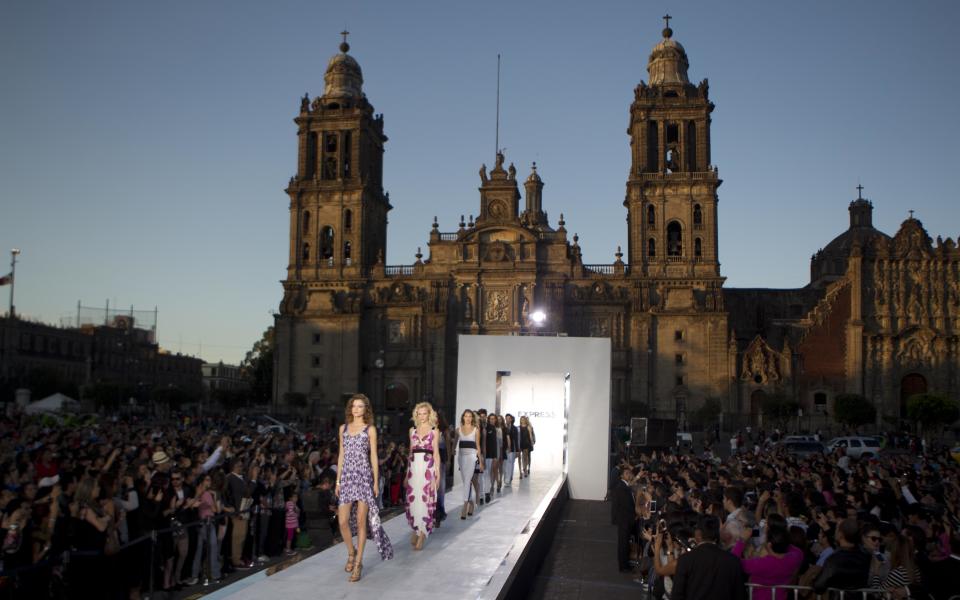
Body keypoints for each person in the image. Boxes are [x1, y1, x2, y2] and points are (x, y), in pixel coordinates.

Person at [335, 394, 393, 582]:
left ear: (365, 409)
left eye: (360, 406)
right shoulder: (343, 428)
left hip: (364, 477)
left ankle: (358, 563)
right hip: (347, 477)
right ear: (350, 408)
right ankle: (351, 552)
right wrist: (338, 481)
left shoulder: (370, 430)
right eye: (354, 406)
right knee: (342, 521)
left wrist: (375, 481)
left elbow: (373, 456)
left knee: (361, 521)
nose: (356, 409)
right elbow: (341, 455)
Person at [671, 514, 746, 600]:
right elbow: (740, 595)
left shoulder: (685, 560)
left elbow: (677, 595)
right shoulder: (732, 560)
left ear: (698, 534)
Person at [731, 524, 803, 600]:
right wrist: (781, 539)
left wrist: (742, 540)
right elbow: (795, 550)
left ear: (769, 545)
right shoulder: (794, 558)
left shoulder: (761, 564)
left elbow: (732, 562)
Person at [404, 402, 441, 550]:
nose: (422, 416)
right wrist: (407, 474)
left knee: (425, 499)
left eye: (424, 413)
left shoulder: (434, 430)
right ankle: (416, 528)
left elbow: (436, 453)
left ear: (429, 414)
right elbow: (410, 452)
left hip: (427, 468)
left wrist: (437, 474)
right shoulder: (412, 431)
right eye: (419, 413)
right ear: (416, 415)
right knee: (414, 500)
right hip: (414, 468)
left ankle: (422, 532)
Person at [812, 518, 870, 595]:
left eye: (836, 529)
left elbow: (819, 586)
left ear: (841, 534)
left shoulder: (835, 559)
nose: (835, 531)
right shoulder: (865, 556)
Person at [456, 409, 482, 518]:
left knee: (467, 481)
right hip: (461, 457)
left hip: (472, 457)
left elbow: (478, 446)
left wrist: (480, 462)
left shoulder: (476, 430)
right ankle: (471, 503)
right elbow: (455, 443)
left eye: (470, 416)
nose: (468, 418)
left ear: (472, 418)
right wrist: (452, 450)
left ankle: (465, 506)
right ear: (463, 417)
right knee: (465, 482)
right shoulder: (458, 430)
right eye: (466, 416)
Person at [610, 465, 636, 572]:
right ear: (622, 476)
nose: (629, 475)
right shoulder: (622, 487)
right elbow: (627, 505)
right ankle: (623, 566)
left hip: (624, 518)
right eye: (626, 473)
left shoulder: (624, 486)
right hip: (624, 519)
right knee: (623, 543)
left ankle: (625, 564)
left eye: (629, 473)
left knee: (624, 542)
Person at [484, 412, 501, 501]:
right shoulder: (486, 428)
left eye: (494, 419)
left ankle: (492, 486)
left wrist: (498, 454)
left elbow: (499, 442)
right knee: (489, 471)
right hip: (489, 452)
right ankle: (490, 487)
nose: (492, 420)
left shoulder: (498, 429)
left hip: (496, 451)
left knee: (494, 470)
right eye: (490, 419)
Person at [503, 414, 519, 485]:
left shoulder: (514, 428)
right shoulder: (503, 427)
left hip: (512, 449)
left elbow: (516, 440)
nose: (507, 419)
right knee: (505, 464)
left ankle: (508, 479)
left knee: (510, 463)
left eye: (509, 418)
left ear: (511, 419)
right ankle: (507, 477)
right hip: (503, 448)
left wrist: (517, 451)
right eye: (506, 418)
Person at [284, 489, 300, 555]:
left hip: (294, 524)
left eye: (296, 497)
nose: (296, 498)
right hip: (290, 524)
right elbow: (291, 513)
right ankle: (288, 549)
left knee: (292, 536)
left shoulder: (294, 504)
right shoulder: (290, 503)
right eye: (294, 497)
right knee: (289, 537)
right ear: (290, 498)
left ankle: (290, 547)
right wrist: (296, 513)